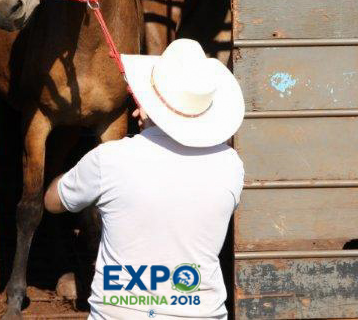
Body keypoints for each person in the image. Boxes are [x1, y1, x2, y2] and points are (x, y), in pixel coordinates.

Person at [44, 39, 245, 319]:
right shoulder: (231, 165)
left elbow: (53, 202)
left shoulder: (109, 160)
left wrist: (70, 173)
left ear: (147, 104)